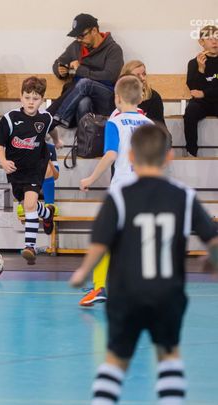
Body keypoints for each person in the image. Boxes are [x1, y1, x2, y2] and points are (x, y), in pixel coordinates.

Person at [69, 124, 218, 405]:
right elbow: (213, 239)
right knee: (169, 356)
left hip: (127, 294)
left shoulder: (119, 196)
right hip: (167, 293)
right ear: (169, 157)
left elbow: (99, 244)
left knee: (115, 360)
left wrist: (82, 273)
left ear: (131, 157)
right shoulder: (184, 196)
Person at [79, 75, 153, 306]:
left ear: (117, 98)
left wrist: (91, 178)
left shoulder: (115, 122)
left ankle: (100, 286)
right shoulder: (149, 124)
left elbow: (111, 154)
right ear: (140, 97)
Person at [0, 76, 62, 264]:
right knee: (28, 205)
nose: (31, 102)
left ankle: (30, 247)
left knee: (30, 204)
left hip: (36, 167)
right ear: (21, 97)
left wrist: (56, 140)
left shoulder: (45, 118)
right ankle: (47, 214)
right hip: (16, 170)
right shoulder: (10, 119)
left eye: (35, 98)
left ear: (42, 99)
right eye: (27, 97)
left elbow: (52, 128)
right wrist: (3, 161)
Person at [50, 14, 124, 128]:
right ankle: (83, 138)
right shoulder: (76, 46)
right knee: (84, 102)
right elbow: (58, 63)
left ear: (94, 31)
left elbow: (110, 77)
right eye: (77, 37)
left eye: (81, 36)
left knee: (85, 83)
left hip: (105, 97)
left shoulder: (113, 49)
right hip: (80, 96)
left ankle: (54, 119)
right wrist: (60, 70)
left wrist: (80, 70)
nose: (79, 40)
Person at [184, 25, 218, 157]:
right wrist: (201, 69)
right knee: (190, 111)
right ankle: (191, 152)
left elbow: (200, 92)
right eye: (210, 38)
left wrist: (204, 93)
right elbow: (193, 88)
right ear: (201, 42)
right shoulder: (194, 63)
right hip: (202, 103)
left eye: (217, 38)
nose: (214, 41)